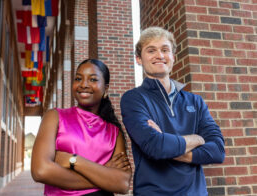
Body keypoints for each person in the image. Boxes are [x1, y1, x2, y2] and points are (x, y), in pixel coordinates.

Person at [120, 26, 225, 195]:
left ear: (173, 57)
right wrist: (197, 138)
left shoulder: (195, 101)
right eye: (151, 50)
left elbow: (218, 151)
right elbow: (155, 146)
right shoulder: (133, 99)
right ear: (139, 59)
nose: (160, 55)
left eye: (165, 50)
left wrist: (168, 145)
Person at [31, 59, 132, 196]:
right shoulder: (54, 117)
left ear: (105, 89)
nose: (84, 84)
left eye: (93, 80)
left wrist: (74, 161)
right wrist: (103, 174)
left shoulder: (114, 132)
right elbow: (40, 171)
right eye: (78, 78)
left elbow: (122, 184)